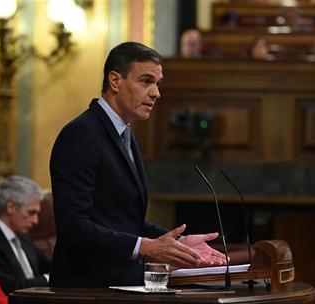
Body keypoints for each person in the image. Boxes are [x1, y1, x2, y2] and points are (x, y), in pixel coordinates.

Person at [49, 41, 227, 288]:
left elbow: (122, 219)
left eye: (157, 84)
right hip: (86, 288)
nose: (156, 93)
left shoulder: (125, 135)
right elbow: (73, 226)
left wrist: (177, 243)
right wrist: (146, 248)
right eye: (146, 81)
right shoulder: (81, 135)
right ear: (115, 81)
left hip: (119, 282)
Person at [0, 176, 51, 294]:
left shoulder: (23, 237)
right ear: (10, 207)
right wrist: (48, 278)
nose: (36, 221)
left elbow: (48, 264)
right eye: (31, 212)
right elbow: (9, 287)